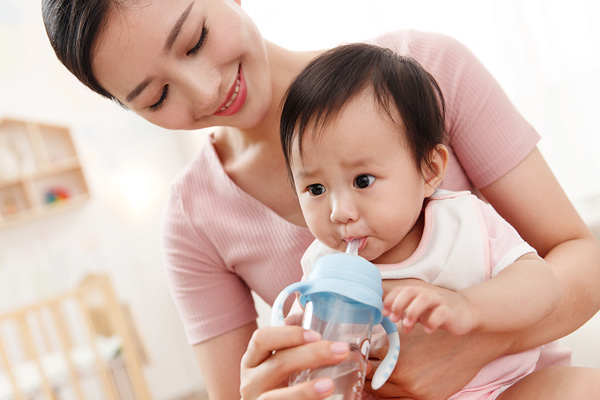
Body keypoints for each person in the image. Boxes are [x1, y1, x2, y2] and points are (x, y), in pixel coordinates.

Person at [40, 0, 600, 399]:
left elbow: (582, 260)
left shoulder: (424, 72)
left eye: (196, 39)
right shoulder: (194, 218)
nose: (205, 90)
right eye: (157, 96)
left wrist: (473, 344)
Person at [277, 42, 598, 399]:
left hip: (510, 386)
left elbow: (544, 286)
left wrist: (471, 307)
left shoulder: (461, 222)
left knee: (586, 387)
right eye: (316, 188)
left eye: (363, 181)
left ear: (430, 171)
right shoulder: (322, 265)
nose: (339, 212)